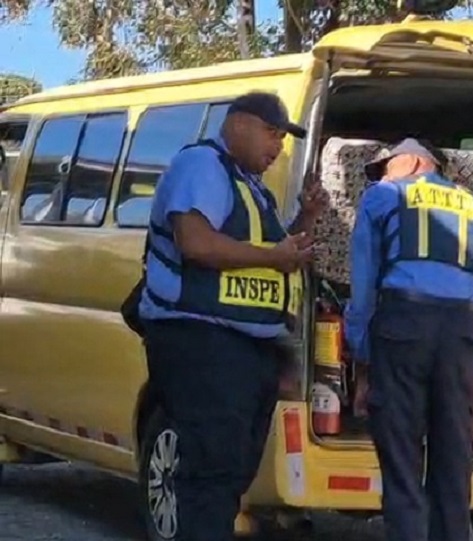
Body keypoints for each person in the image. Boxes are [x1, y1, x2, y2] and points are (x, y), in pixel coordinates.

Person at [138, 91, 329, 541]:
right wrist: (270, 256)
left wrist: (309, 216)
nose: (277, 147)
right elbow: (196, 242)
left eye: (283, 138)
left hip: (245, 349)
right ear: (239, 123)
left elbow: (280, 252)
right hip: (202, 340)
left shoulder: (250, 185)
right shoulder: (203, 166)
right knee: (211, 473)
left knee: (230, 475)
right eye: (271, 133)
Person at [344, 138, 473, 541]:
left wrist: (362, 358)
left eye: (385, 165)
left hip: (403, 327)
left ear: (417, 161)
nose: (381, 175)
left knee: (401, 460)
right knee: (454, 464)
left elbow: (363, 286)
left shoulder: (382, 198)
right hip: (463, 337)